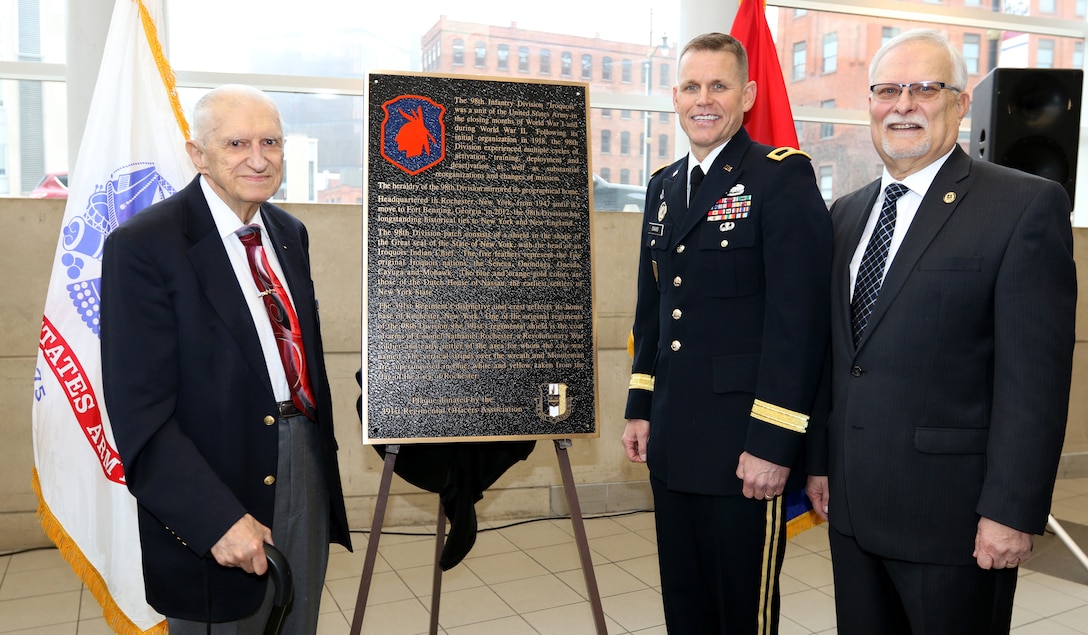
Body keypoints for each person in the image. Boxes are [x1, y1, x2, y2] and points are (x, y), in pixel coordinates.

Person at [805, 29, 1076, 634]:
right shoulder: (846, 214)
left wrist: (1010, 511)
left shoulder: (1024, 206)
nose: (903, 105)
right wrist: (820, 463)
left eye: (925, 89)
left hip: (953, 522)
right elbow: (839, 356)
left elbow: (1034, 380)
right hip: (852, 512)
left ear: (959, 104)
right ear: (870, 105)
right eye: (887, 90)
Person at [101, 84, 351, 633]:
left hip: (302, 458)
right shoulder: (144, 245)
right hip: (212, 478)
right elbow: (139, 413)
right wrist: (214, 520)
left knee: (296, 618)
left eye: (271, 142)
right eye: (237, 142)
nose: (258, 159)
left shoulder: (289, 233)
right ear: (198, 154)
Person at [622, 32, 831, 634]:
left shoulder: (778, 178)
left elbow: (800, 323)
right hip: (674, 437)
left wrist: (773, 442)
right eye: (692, 86)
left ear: (747, 94)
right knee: (684, 604)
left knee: (741, 610)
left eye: (719, 86)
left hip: (745, 446)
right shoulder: (662, 187)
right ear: (675, 96)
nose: (704, 99)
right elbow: (653, 308)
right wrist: (641, 406)